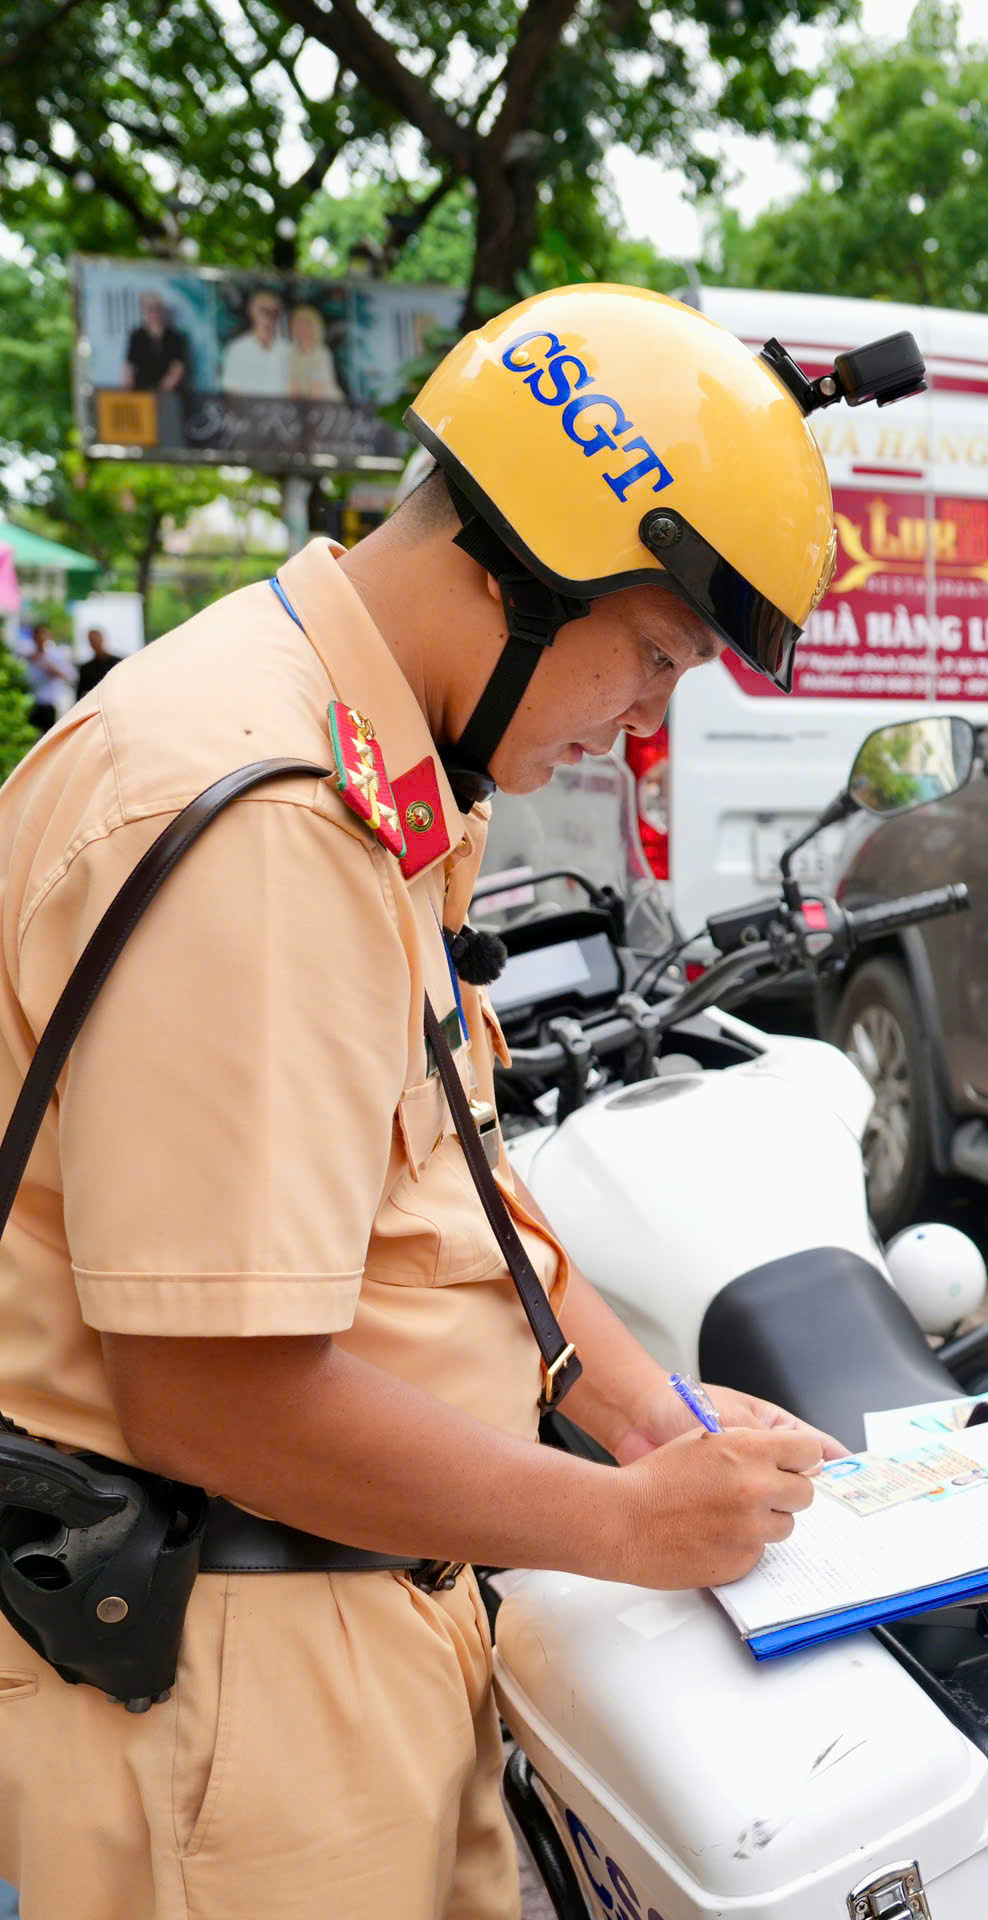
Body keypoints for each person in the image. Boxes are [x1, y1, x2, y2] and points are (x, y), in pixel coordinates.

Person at [0, 283, 850, 1919]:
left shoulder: (373, 758)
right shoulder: (255, 811)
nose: (645, 721)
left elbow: (457, 1200)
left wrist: (647, 1414)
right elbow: (214, 1397)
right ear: (525, 569)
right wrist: (627, 1523)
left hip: (350, 1629)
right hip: (224, 1713)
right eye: (656, 656)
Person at [219, 287, 292, 396]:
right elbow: (231, 391)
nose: (270, 317)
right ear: (252, 311)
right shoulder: (237, 349)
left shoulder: (288, 350)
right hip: (247, 412)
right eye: (264, 311)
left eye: (275, 312)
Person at [120, 290, 193, 395]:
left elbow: (178, 369)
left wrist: (161, 392)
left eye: (157, 309)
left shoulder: (175, 336)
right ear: (144, 311)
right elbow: (129, 368)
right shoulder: (136, 336)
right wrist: (128, 394)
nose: (154, 313)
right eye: (150, 309)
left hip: (168, 393)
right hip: (141, 393)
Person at [287, 302, 344, 401]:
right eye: (297, 323)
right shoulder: (289, 351)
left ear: (314, 327)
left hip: (326, 403)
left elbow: (317, 390)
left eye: (306, 324)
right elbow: (291, 388)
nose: (301, 328)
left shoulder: (322, 353)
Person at [22, 624, 74, 729]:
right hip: (32, 702)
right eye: (38, 636)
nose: (41, 639)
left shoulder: (56, 655)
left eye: (43, 635)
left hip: (52, 702)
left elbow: (69, 676)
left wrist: (49, 667)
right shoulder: (29, 655)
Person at [73, 625, 121, 701]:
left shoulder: (118, 663)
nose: (95, 643)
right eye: (92, 641)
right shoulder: (85, 668)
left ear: (102, 639)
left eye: (96, 639)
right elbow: (80, 692)